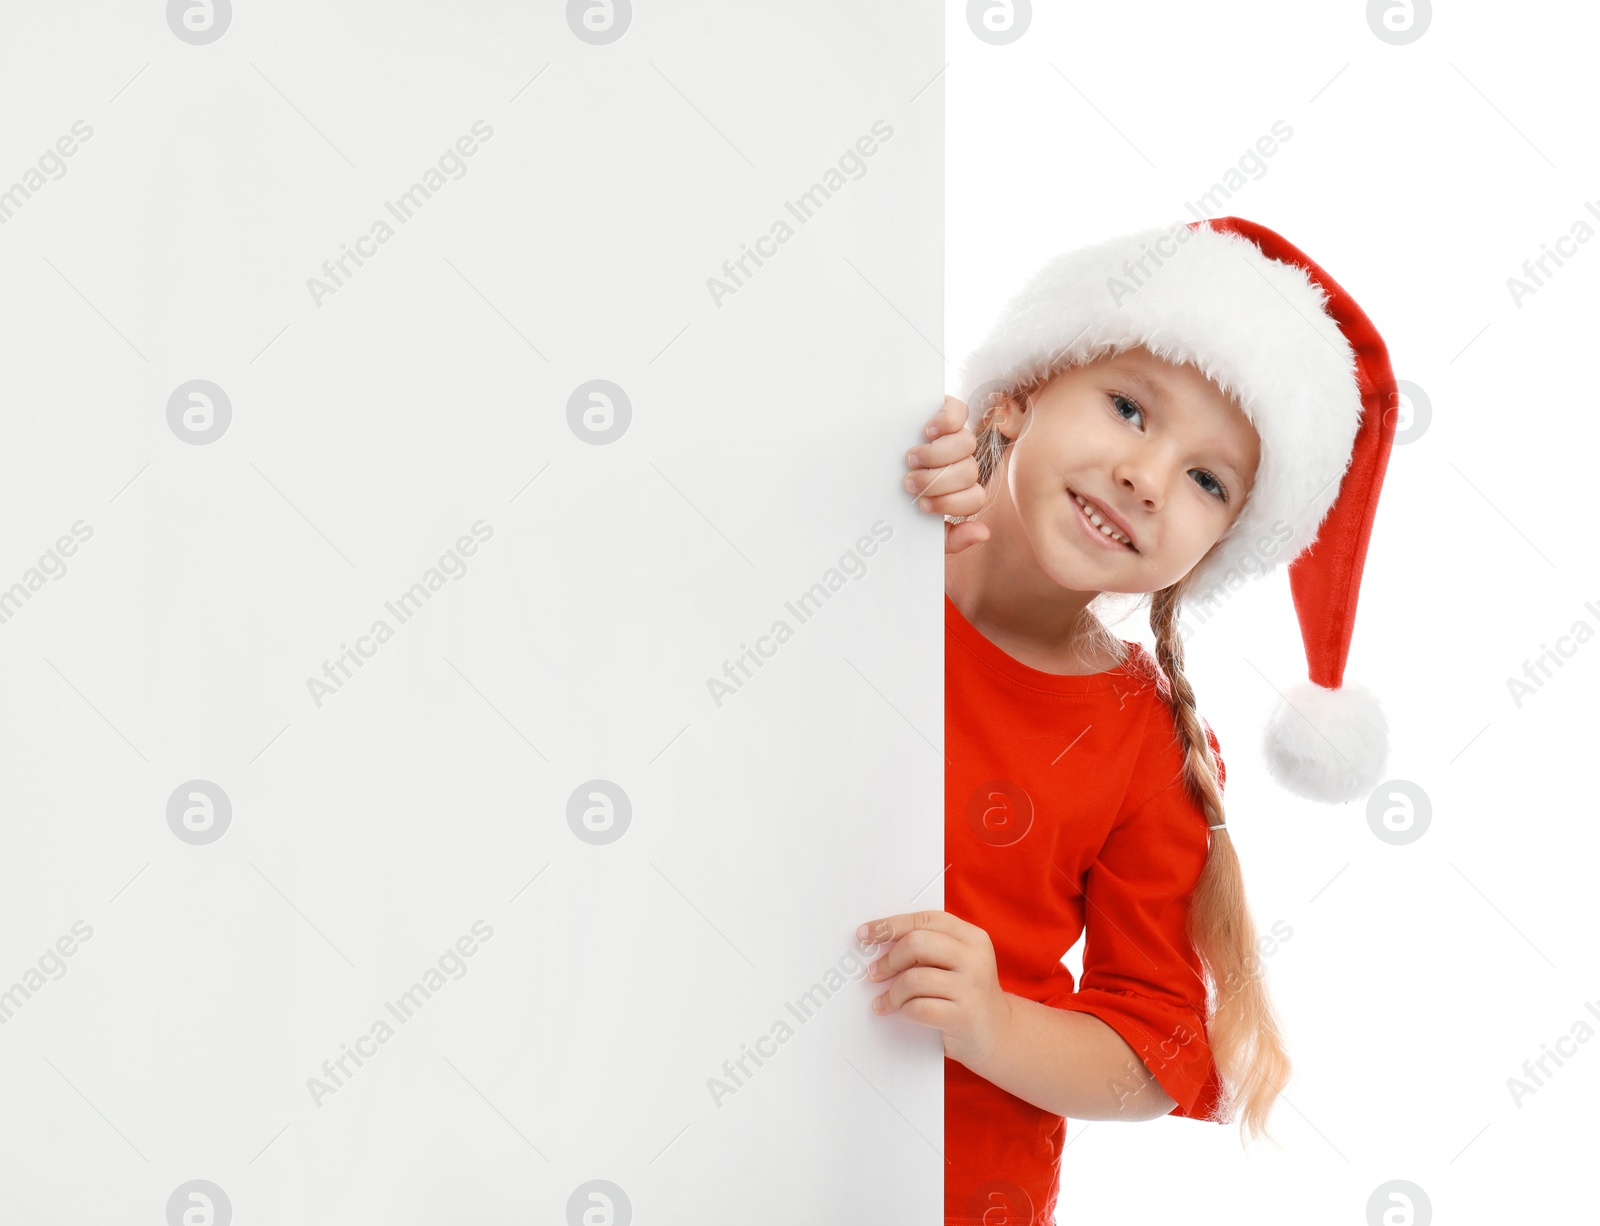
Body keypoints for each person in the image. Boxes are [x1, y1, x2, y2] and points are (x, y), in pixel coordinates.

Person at [857, 217, 1400, 1225]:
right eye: (1125, 407)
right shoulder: (871, 542)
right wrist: (864, 488)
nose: (1145, 477)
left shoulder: (1143, 746)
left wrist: (989, 1022)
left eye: (1206, 481)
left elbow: (1153, 1056)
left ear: (1214, 549)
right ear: (1018, 395)